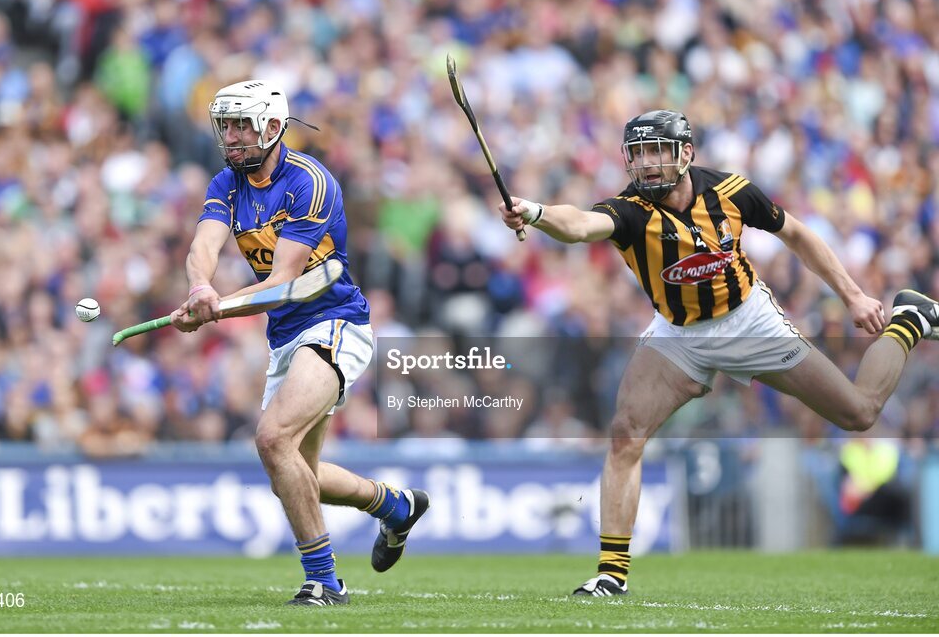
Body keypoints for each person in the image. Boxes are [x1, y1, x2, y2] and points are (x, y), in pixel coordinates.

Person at [498, 109, 939, 597]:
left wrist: (853, 295)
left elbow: (797, 233)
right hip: (678, 334)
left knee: (859, 412)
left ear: (685, 154)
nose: (646, 165)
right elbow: (578, 225)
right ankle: (611, 574)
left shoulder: (730, 192)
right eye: (638, 153)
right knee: (626, 433)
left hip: (748, 321)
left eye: (657, 152)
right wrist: (536, 213)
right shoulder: (628, 211)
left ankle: (910, 320)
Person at [171, 80, 430, 606]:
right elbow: (203, 245)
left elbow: (284, 282)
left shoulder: (308, 180)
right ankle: (394, 506)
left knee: (271, 440)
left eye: (241, 124)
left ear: (271, 126)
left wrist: (217, 308)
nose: (231, 136)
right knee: (298, 474)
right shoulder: (226, 183)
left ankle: (324, 581)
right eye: (226, 125)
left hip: (335, 322)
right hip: (285, 334)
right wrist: (200, 288)